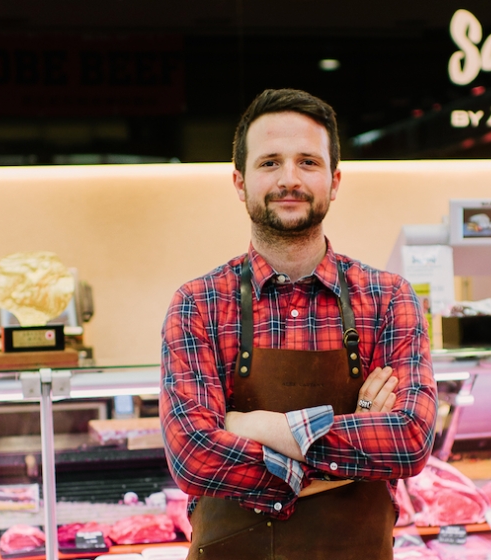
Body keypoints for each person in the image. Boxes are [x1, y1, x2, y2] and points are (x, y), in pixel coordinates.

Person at [160, 88, 438, 560]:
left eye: (308, 161)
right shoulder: (198, 304)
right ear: (239, 182)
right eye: (270, 162)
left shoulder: (390, 297)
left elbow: (409, 440)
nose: (290, 178)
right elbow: (194, 456)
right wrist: (354, 448)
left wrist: (254, 426)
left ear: (334, 181)